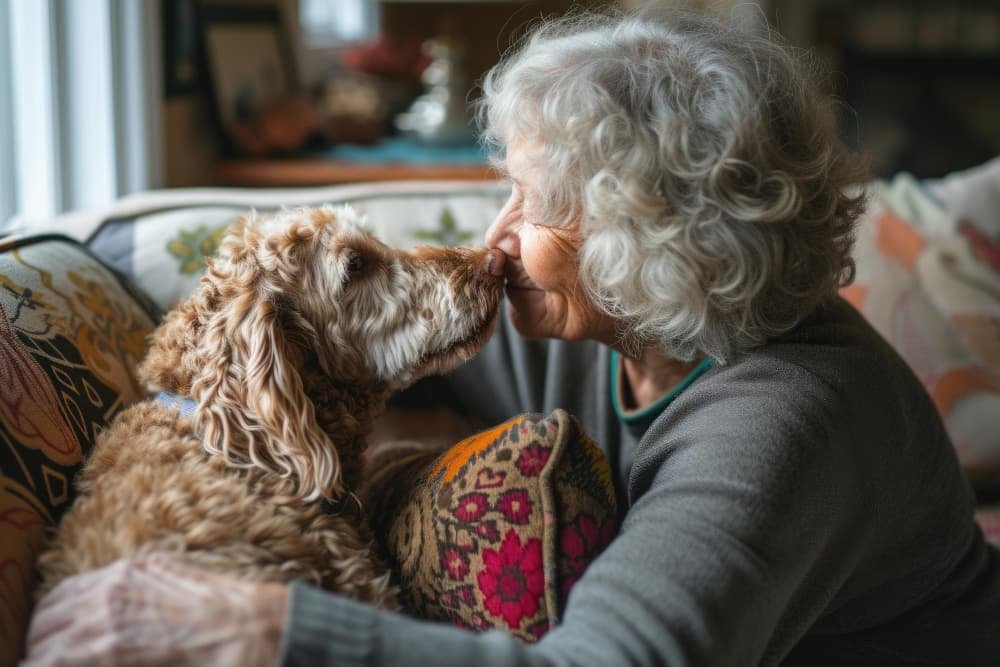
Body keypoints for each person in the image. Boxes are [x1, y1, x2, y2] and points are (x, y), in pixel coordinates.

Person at [24, 8, 1000, 667]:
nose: (491, 240)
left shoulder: (787, 419)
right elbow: (305, 338)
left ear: (640, 232)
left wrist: (268, 625)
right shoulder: (616, 323)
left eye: (529, 202)